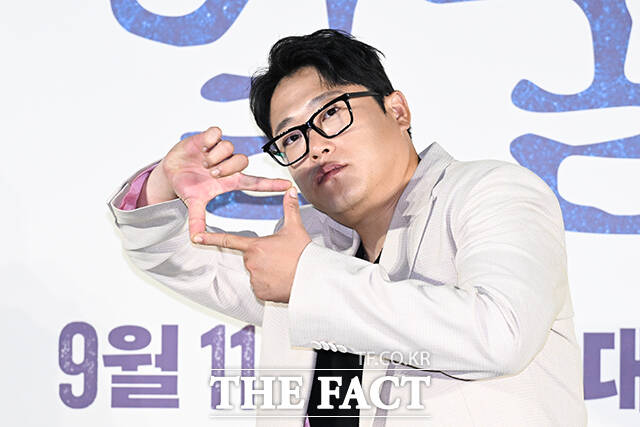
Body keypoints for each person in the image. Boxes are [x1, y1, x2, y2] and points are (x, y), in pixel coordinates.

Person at [107, 29, 587, 426]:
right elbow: (176, 258)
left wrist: (306, 279)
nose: (315, 146)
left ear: (397, 111)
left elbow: (500, 333)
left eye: (331, 113)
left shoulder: (489, 191)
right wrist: (162, 186)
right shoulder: (311, 242)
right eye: (290, 138)